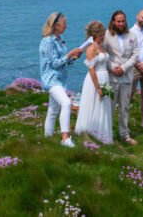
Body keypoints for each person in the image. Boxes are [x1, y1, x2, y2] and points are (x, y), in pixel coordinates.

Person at [39, 11, 85, 147]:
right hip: (51, 80)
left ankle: (48, 139)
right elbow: (53, 63)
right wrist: (69, 54)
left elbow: (62, 62)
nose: (66, 26)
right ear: (56, 25)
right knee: (66, 103)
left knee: (53, 110)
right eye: (64, 24)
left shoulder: (59, 39)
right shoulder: (48, 41)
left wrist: (73, 57)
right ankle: (65, 138)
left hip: (59, 79)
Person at [103, 9, 140, 145]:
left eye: (123, 21)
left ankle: (124, 134)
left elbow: (135, 54)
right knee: (110, 107)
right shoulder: (106, 35)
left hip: (126, 76)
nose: (121, 23)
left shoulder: (132, 35)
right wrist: (113, 67)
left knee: (125, 107)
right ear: (113, 21)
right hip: (112, 77)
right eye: (118, 21)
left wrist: (123, 68)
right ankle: (108, 134)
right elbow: (103, 54)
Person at [74, 21, 113, 143]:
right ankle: (90, 132)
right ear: (96, 35)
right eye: (101, 34)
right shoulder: (91, 49)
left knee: (103, 107)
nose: (103, 36)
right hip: (94, 80)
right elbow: (91, 70)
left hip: (105, 77)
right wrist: (98, 88)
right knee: (93, 104)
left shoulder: (102, 46)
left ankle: (103, 135)